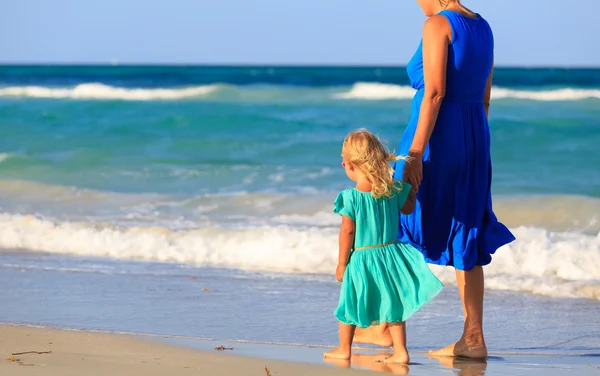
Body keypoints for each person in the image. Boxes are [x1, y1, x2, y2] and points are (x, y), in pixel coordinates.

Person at [353, 0, 515, 359]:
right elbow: (484, 98)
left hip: (435, 139)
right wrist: (474, 144)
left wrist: (414, 154)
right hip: (474, 137)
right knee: (468, 230)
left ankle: (384, 329)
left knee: (395, 220)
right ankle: (473, 338)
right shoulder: (483, 26)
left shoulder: (438, 25)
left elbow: (436, 91)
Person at [324, 129, 443, 363]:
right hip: (390, 255)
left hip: (362, 258)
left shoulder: (350, 197)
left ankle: (344, 349)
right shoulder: (392, 189)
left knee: (349, 303)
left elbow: (348, 231)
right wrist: (410, 189)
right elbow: (408, 209)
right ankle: (401, 352)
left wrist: (341, 263)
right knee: (393, 305)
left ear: (352, 166)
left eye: (345, 162)